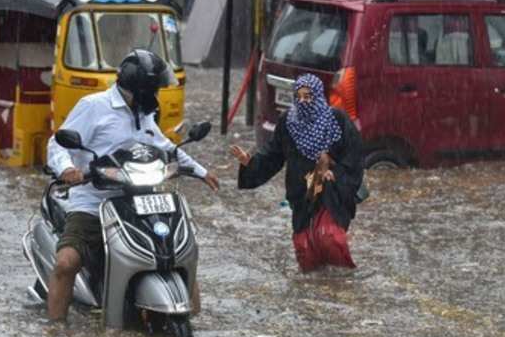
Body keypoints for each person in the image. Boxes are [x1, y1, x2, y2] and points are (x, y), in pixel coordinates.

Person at [46, 49, 219, 322]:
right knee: (66, 263)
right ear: (140, 89)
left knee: (179, 248)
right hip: (94, 201)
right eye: (154, 89)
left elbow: (165, 147)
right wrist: (67, 168)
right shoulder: (94, 106)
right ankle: (54, 329)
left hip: (139, 197)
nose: (158, 95)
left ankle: (192, 316)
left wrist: (200, 171)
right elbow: (57, 143)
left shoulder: (144, 113)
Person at [230, 73, 363, 272]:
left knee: (329, 237)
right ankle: (310, 287)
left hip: (331, 191)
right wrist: (250, 162)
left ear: (317, 96)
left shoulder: (337, 120)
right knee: (304, 248)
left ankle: (341, 283)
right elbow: (274, 154)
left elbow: (354, 155)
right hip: (301, 191)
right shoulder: (288, 122)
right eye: (298, 96)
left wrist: (335, 174)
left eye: (308, 96)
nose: (303, 101)